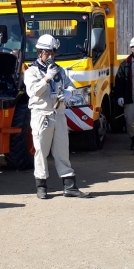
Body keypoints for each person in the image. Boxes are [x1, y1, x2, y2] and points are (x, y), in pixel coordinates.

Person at [23, 34, 90, 200]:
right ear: (39, 52)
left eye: (53, 53)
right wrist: (47, 78)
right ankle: (41, 186)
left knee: (62, 151)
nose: (50, 56)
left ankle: (70, 187)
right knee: (41, 151)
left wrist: (68, 93)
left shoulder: (59, 70)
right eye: (47, 53)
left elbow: (71, 87)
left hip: (58, 114)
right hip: (42, 114)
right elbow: (33, 92)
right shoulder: (31, 71)